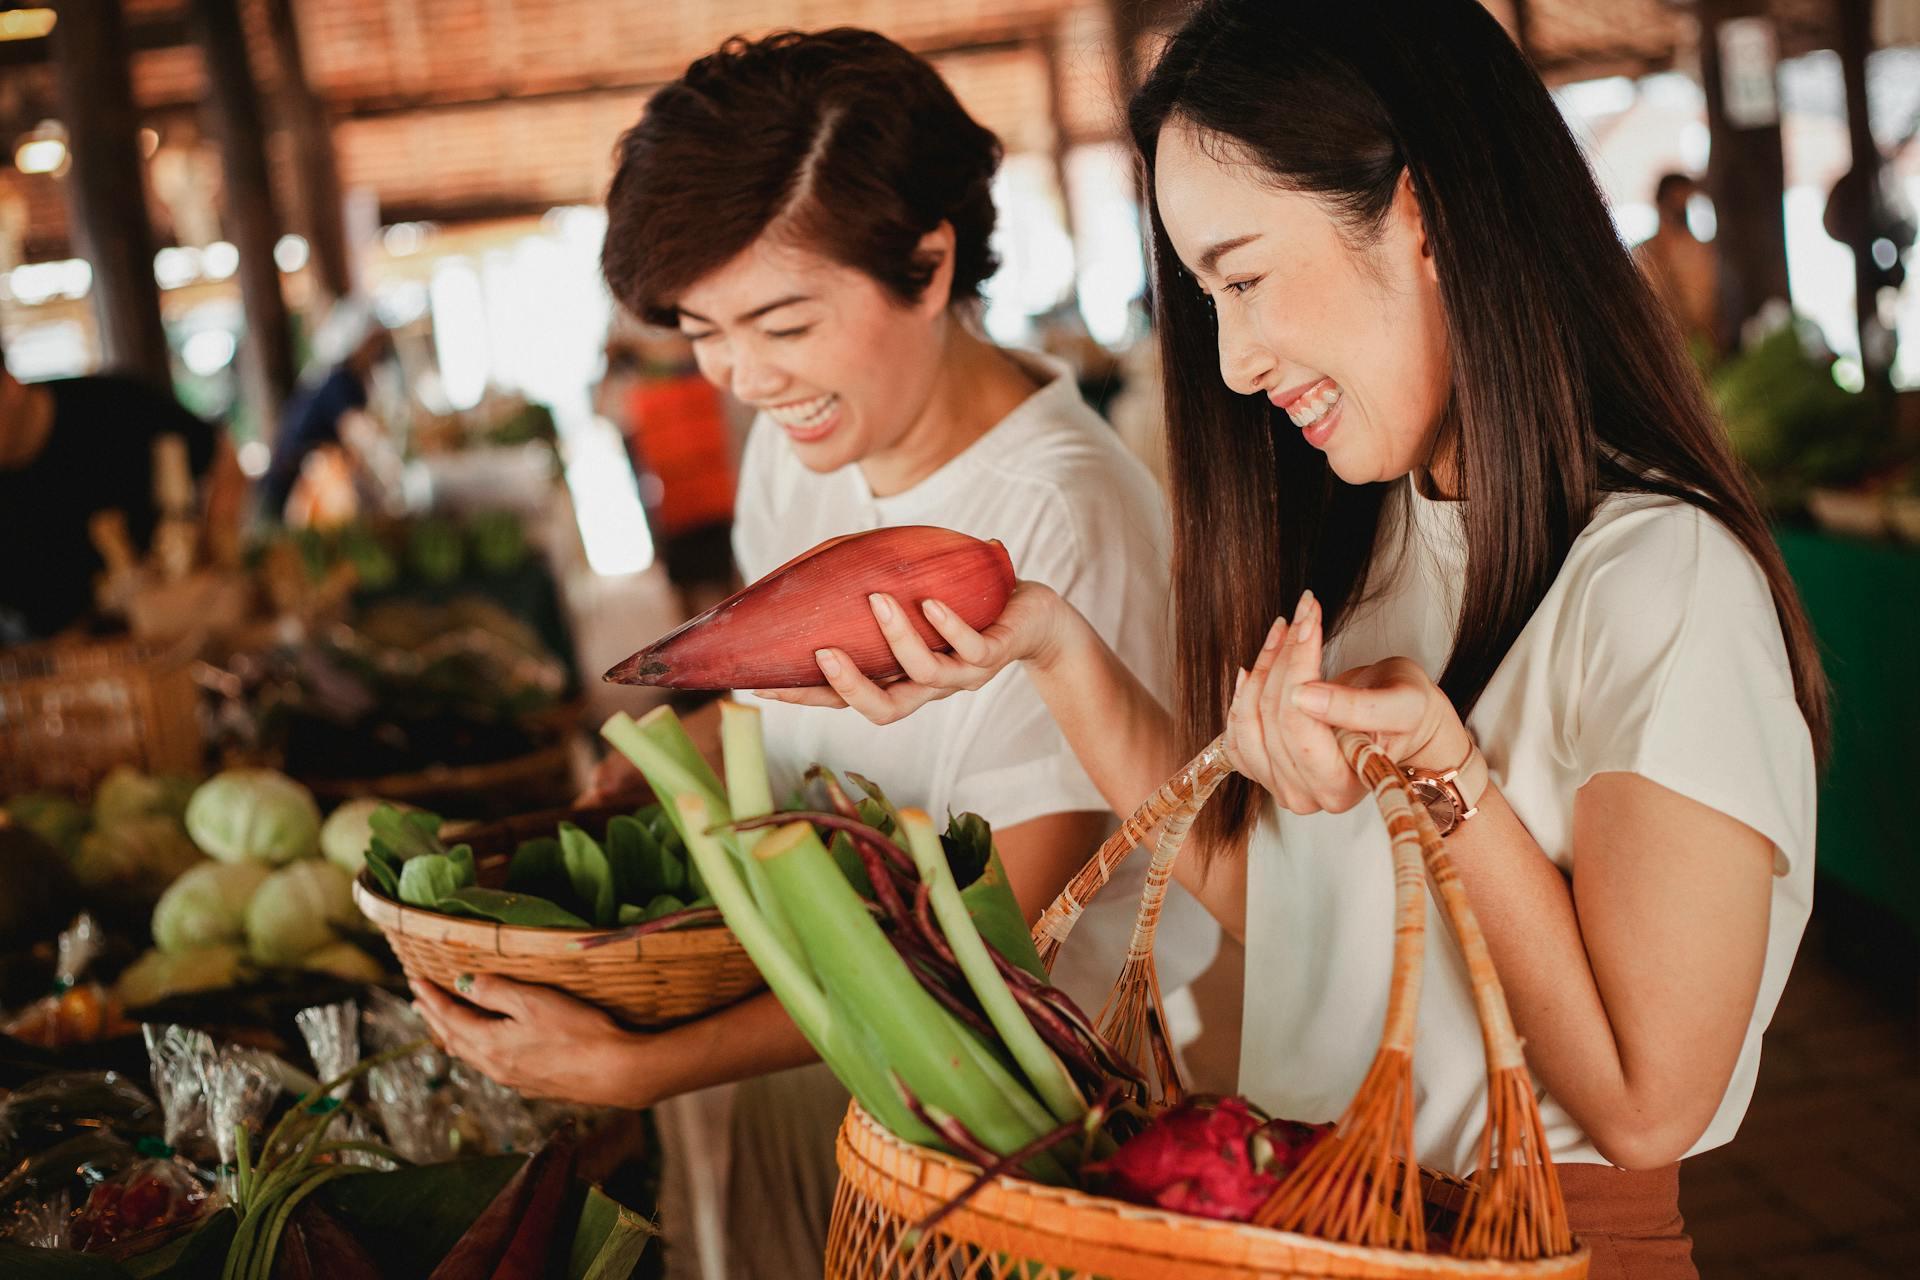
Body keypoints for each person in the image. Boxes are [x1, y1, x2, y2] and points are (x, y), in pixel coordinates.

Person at [780, 4, 1824, 1277]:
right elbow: (1279, 909)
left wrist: (1452, 781)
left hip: (1522, 1246)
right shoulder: (1376, 539)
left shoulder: (1661, 578)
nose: (1230, 360)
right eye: (1206, 294)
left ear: (1424, 210)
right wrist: (1053, 645)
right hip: (1307, 1225)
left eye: (1245, 276)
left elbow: (1648, 1100)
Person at [410, 29, 1217, 1277]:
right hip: (817, 1074)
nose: (743, 376)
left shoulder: (1061, 519)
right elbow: (783, 711)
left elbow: (1000, 938)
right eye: (703, 329)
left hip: (1014, 1147)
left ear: (929, 261)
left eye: (783, 320)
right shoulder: (805, 450)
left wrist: (641, 1065)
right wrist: (641, 779)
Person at [0, 345, 216, 642]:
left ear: (10, 388)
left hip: (182, 630)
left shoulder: (114, 405)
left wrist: (213, 549)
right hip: (72, 666)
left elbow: (221, 458)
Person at [260, 299, 394, 518]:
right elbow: (359, 432)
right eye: (373, 343)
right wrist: (388, 463)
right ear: (358, 343)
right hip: (292, 487)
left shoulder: (340, 380)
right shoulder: (340, 381)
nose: (377, 351)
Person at [1634, 172, 1722, 364]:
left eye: (1686, 204)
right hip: (1656, 353)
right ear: (1660, 204)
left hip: (1697, 354)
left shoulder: (1701, 252)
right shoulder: (1642, 255)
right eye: (1675, 204)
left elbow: (1709, 307)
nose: (1681, 211)